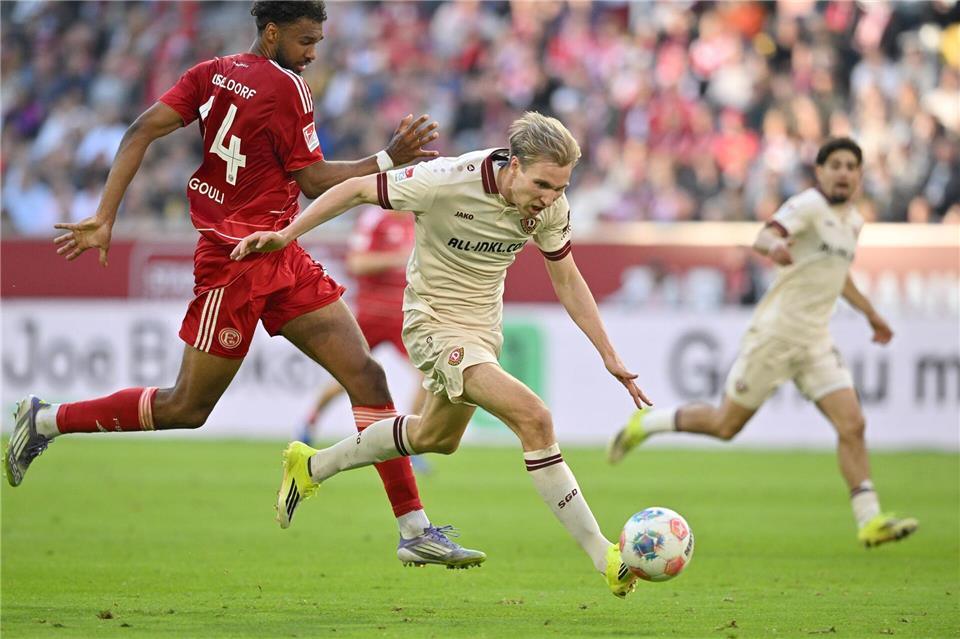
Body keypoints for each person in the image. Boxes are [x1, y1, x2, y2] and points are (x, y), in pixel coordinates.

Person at [5, 0, 484, 570]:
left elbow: (140, 130)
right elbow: (314, 183)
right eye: (306, 41)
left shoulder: (208, 74)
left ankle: (415, 531)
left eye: (319, 42)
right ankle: (44, 418)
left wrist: (106, 214)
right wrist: (387, 158)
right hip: (233, 262)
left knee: (366, 373)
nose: (312, 54)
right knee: (187, 406)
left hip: (279, 251)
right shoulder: (288, 87)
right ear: (273, 32)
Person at [231, 111, 654, 598]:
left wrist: (608, 354)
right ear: (512, 164)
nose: (550, 198)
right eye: (543, 184)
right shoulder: (445, 179)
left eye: (560, 188)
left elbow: (567, 278)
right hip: (433, 324)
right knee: (534, 418)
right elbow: (355, 190)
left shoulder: (549, 207)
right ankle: (605, 555)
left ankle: (311, 466)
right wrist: (287, 234)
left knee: (436, 436)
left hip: (481, 332)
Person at [607, 137, 918, 549]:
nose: (843, 172)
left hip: (815, 341)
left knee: (853, 424)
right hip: (775, 336)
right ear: (820, 171)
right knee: (725, 425)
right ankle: (647, 423)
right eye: (836, 165)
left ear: (859, 175)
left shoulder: (853, 223)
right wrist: (777, 247)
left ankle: (869, 519)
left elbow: (838, 274)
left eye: (851, 166)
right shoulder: (808, 206)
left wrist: (872, 314)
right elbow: (763, 236)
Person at [299, 207, 426, 444]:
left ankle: (411, 439)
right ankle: (310, 422)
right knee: (349, 375)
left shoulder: (416, 219)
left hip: (403, 316)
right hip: (372, 314)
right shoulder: (375, 218)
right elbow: (356, 263)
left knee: (427, 376)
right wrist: (395, 258)